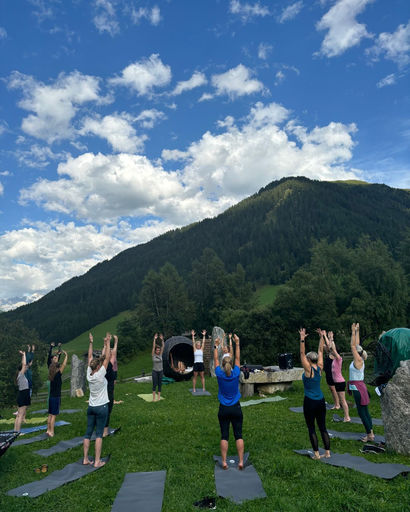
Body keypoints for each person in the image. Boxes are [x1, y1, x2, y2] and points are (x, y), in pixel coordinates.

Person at [299, 328, 331, 460]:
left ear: (308, 359)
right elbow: (320, 351)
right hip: (321, 401)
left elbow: (301, 352)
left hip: (310, 402)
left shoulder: (308, 370)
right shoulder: (320, 367)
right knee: (323, 427)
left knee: (311, 427)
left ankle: (317, 454)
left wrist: (302, 338)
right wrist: (322, 337)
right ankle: (328, 453)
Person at [214, 334, 244, 470]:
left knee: (224, 435)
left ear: (222, 364)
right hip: (236, 408)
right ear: (231, 364)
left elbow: (215, 358)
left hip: (223, 409)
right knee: (238, 435)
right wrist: (237, 343)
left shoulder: (219, 375)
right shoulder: (236, 373)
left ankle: (225, 462)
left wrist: (216, 345)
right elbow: (238, 358)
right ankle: (241, 462)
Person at [83, 332, 111, 468]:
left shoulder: (89, 375)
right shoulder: (100, 374)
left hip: (91, 407)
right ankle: (97, 461)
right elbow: (108, 358)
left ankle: (85, 459)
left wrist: (91, 342)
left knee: (88, 433)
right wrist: (108, 342)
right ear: (98, 367)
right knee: (99, 434)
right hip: (101, 408)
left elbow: (90, 357)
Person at [348, 323, 374, 442]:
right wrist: (357, 330)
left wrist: (353, 332)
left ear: (356, 353)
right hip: (359, 387)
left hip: (358, 388)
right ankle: (371, 433)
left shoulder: (358, 360)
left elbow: (353, 346)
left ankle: (369, 434)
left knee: (362, 412)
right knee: (365, 411)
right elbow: (357, 345)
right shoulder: (361, 357)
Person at [326, 331, 350, 422]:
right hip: (337, 382)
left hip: (340, 382)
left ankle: (347, 417)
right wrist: (329, 338)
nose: (331, 353)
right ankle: (346, 416)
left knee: (343, 401)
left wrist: (331, 338)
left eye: (333, 352)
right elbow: (332, 349)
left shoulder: (338, 359)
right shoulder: (334, 360)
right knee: (342, 400)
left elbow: (333, 349)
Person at [46, 350, 68, 437]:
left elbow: (56, 365)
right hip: (56, 397)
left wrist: (57, 356)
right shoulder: (58, 374)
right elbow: (64, 365)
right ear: (57, 368)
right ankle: (51, 432)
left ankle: (48, 430)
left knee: (50, 415)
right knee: (53, 416)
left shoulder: (51, 374)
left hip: (51, 397)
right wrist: (66, 355)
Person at [101, 333, 119, 437]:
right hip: (108, 392)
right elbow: (113, 354)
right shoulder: (111, 368)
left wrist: (106, 344)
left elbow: (105, 356)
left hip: (102, 392)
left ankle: (100, 427)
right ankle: (105, 432)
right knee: (108, 410)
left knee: (102, 409)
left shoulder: (101, 370)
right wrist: (115, 342)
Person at [319, 329, 340, 410]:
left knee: (333, 389)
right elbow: (324, 346)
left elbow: (330, 346)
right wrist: (322, 336)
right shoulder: (329, 353)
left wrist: (329, 337)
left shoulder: (334, 355)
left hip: (332, 374)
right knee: (332, 390)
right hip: (328, 373)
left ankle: (337, 404)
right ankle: (336, 403)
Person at [14, 350, 31, 432]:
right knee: (21, 415)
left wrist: (23, 356)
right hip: (24, 394)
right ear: (22, 369)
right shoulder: (21, 375)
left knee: (18, 415)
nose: (26, 367)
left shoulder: (19, 375)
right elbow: (24, 364)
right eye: (24, 368)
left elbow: (24, 364)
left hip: (21, 394)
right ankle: (18, 432)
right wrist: (24, 354)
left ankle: (15, 431)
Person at [152, 333, 164, 401]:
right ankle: (154, 398)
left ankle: (159, 397)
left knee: (160, 384)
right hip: (155, 371)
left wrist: (162, 340)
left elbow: (163, 346)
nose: (158, 351)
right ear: (155, 351)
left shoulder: (160, 355)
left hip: (160, 371)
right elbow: (153, 347)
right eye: (157, 350)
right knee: (154, 384)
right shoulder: (153, 355)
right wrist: (154, 339)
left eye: (159, 350)